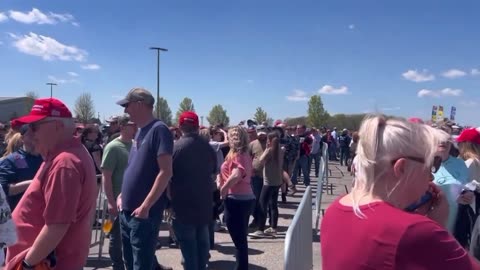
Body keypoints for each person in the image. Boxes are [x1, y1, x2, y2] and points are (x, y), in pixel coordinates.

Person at [321, 115, 480, 269]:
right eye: (432, 163)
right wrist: (439, 227)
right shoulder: (414, 231)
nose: (431, 177)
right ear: (401, 168)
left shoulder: (334, 209)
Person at [6, 98, 97, 270]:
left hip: (44, 264)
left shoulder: (65, 163)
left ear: (56, 126)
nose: (29, 134)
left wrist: (27, 265)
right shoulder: (64, 154)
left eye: (34, 127)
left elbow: (57, 226)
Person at [115, 88, 173, 270]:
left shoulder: (159, 130)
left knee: (142, 264)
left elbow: (165, 172)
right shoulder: (140, 132)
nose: (125, 111)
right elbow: (134, 168)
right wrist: (122, 195)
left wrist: (146, 206)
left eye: (127, 105)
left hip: (143, 215)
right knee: (130, 263)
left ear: (139, 104)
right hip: (127, 210)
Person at [170, 111, 216, 270]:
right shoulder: (208, 147)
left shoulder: (175, 148)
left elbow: (166, 177)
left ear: (180, 126)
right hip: (204, 206)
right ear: (197, 126)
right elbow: (213, 172)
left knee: (189, 250)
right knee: (202, 246)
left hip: (182, 208)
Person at [101, 115, 137, 270]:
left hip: (133, 201)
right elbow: (106, 176)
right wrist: (110, 201)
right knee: (115, 237)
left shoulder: (136, 145)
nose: (135, 127)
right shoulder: (113, 147)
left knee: (133, 237)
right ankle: (117, 265)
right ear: (122, 127)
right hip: (116, 201)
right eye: (131, 125)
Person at [217, 126, 255, 270]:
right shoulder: (244, 153)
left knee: (239, 240)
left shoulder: (238, 154)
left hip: (236, 198)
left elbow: (237, 174)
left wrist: (224, 187)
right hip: (246, 197)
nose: (230, 138)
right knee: (241, 239)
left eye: (232, 136)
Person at [0, 125, 42, 212]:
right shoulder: (11, 160)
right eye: (31, 134)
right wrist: (34, 183)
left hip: (41, 212)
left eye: (37, 133)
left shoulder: (45, 158)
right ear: (22, 139)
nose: (35, 136)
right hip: (21, 213)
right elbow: (4, 189)